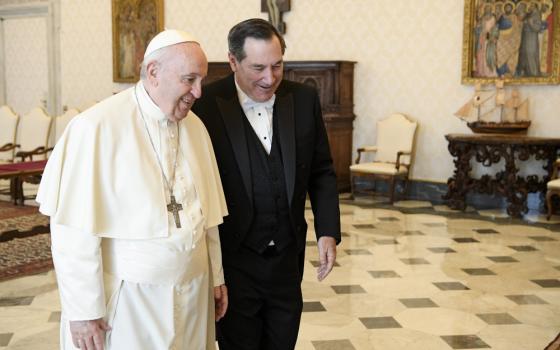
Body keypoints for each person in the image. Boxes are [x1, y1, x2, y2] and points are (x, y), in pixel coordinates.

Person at [37, 30, 228, 350]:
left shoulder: (195, 127)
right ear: (153, 72)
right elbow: (72, 232)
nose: (198, 91)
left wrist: (216, 276)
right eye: (189, 79)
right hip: (131, 303)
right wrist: (83, 311)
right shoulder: (96, 127)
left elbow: (207, 217)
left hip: (193, 293)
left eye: (201, 80)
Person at [192, 18, 341, 350]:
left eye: (277, 66)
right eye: (258, 67)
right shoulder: (205, 105)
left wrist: (327, 231)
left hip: (287, 258)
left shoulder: (303, 99)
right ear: (233, 62)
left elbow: (321, 170)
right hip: (235, 260)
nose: (269, 78)